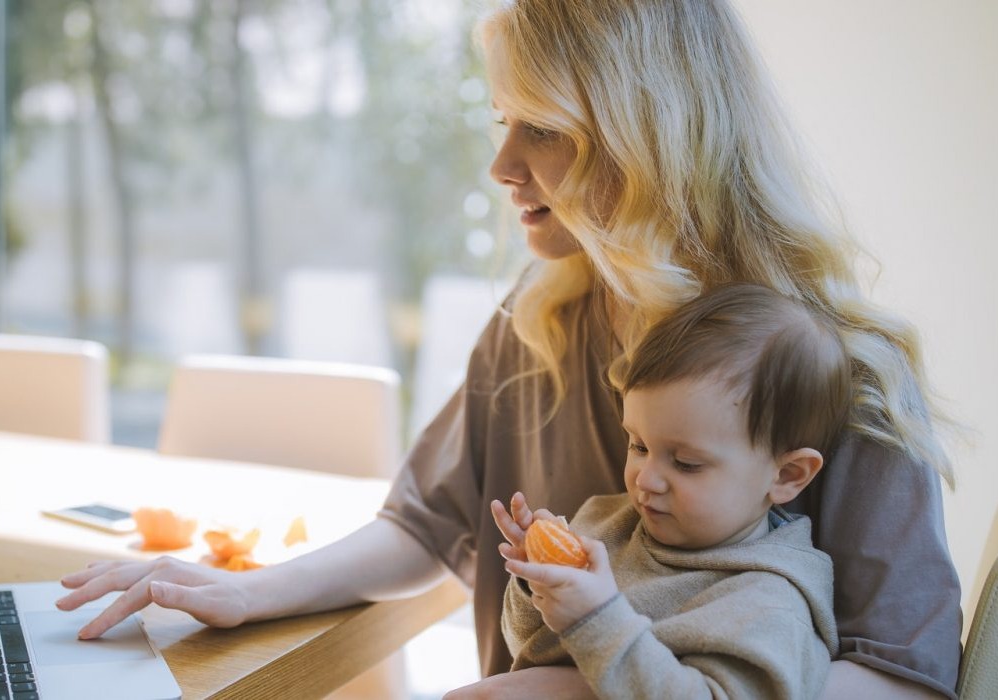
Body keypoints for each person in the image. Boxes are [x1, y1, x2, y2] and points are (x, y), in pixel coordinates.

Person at [55, 0, 962, 696]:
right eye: (503, 121)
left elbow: (902, 674)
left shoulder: (841, 369)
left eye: (547, 129)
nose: (502, 167)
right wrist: (248, 591)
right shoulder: (537, 322)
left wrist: (594, 683)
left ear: (650, 139)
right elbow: (424, 525)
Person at [494, 283, 849, 699]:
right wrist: (538, 584)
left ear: (788, 474)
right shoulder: (605, 526)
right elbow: (527, 652)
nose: (645, 479)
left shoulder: (768, 602)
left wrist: (595, 619)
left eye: (686, 463)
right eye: (639, 446)